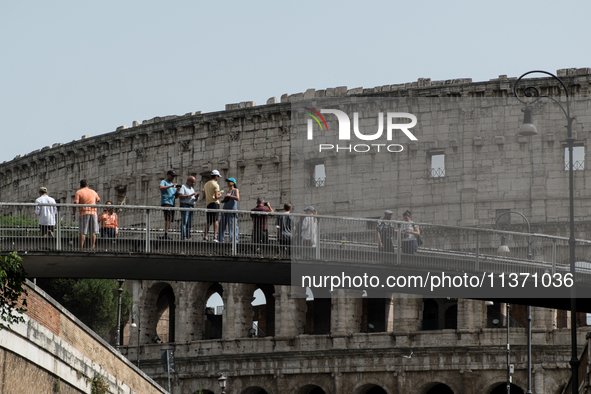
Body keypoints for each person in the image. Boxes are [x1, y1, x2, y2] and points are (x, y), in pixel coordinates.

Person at [72, 179, 101, 249]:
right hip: (93, 212)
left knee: (82, 231)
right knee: (93, 231)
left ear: (80, 185)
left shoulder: (79, 192)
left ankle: (81, 248)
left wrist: (74, 213)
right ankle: (92, 247)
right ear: (87, 185)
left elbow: (76, 202)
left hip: (83, 212)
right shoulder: (93, 192)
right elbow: (98, 199)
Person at [159, 170, 180, 239]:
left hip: (172, 203)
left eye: (174, 176)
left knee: (170, 218)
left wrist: (177, 190)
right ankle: (165, 233)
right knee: (168, 217)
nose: (173, 177)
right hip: (166, 202)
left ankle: (166, 233)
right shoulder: (164, 182)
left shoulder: (173, 186)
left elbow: (176, 196)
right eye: (172, 176)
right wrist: (170, 186)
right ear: (168, 175)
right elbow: (161, 188)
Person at [218, 177, 240, 243]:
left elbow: (237, 198)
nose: (228, 183)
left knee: (232, 226)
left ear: (233, 183)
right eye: (227, 181)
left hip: (232, 210)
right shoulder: (227, 191)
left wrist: (230, 196)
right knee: (222, 224)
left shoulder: (235, 190)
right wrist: (223, 200)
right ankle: (220, 240)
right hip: (225, 209)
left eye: (229, 181)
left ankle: (233, 241)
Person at [203, 170, 222, 242]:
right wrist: (220, 194)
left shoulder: (206, 184)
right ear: (216, 176)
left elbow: (204, 196)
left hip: (208, 204)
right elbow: (217, 196)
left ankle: (205, 236)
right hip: (215, 203)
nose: (218, 178)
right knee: (216, 220)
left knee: (209, 221)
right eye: (218, 177)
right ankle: (215, 236)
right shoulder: (215, 185)